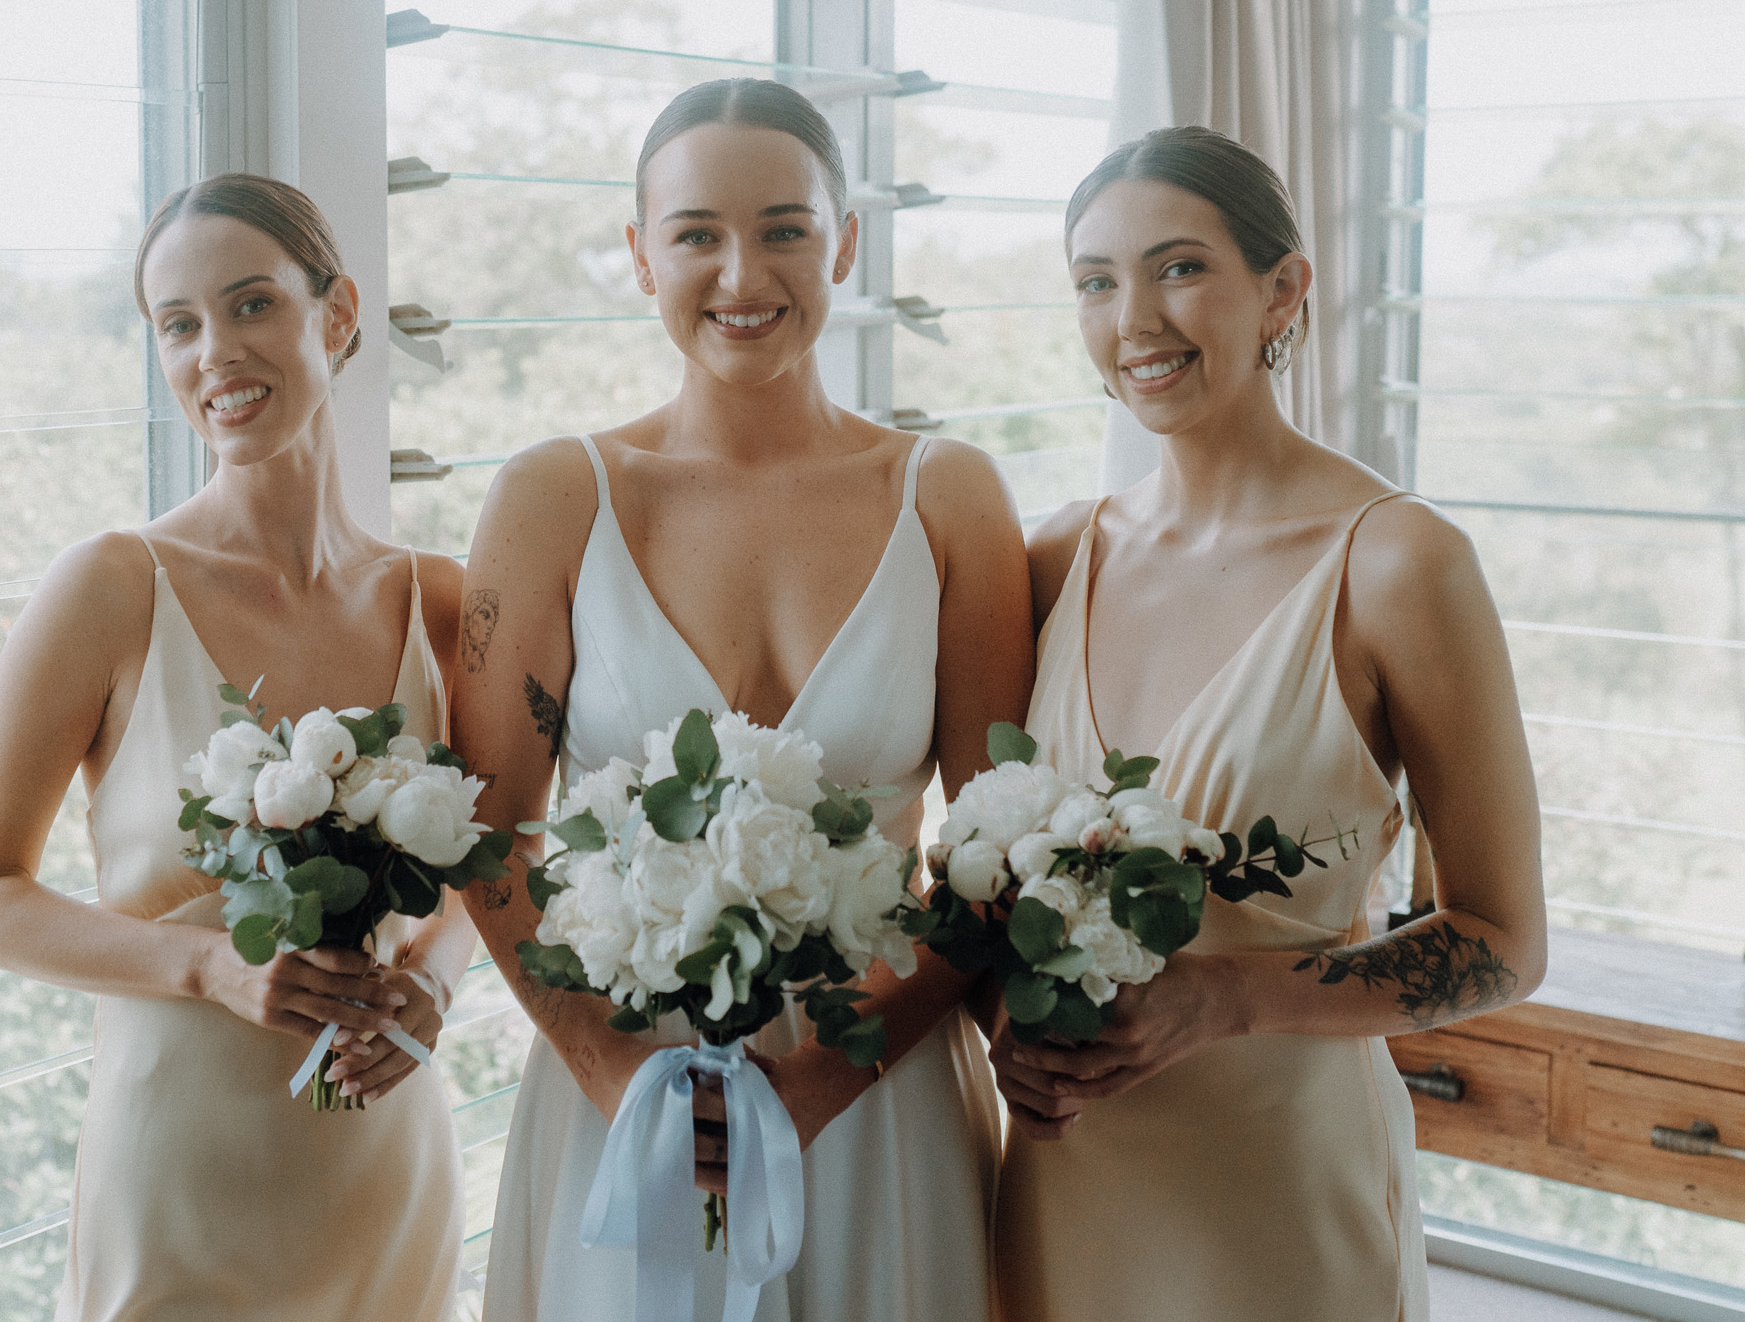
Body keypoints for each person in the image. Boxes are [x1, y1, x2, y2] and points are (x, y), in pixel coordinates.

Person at [458, 79, 1035, 1322]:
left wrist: (822, 1080)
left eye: (784, 228)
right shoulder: (555, 497)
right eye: (695, 234)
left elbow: (997, 852)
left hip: (877, 1090)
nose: (740, 273)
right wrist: (620, 1077)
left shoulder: (951, 497)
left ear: (847, 243)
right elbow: (489, 831)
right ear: (637, 253)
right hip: (628, 1088)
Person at [990, 128, 1547, 1322]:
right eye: (1096, 280)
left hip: (1281, 1192)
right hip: (1064, 1173)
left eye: (1178, 267)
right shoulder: (1050, 557)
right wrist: (1006, 1014)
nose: (1135, 316)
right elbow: (980, 864)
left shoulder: (1399, 564)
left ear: (1283, 288)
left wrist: (1231, 996)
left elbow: (1505, 939)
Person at [0, 174, 472, 1321]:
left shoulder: (439, 605)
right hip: (178, 1183)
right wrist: (208, 966)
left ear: (336, 315)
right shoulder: (110, 588)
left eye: (250, 305)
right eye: (178, 325)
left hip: (385, 1169)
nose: (214, 351)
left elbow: (498, 856)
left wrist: (434, 981)